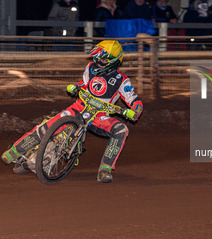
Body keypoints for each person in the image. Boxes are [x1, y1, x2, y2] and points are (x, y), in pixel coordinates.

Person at [1, 40, 143, 183]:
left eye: (102, 59)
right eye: (97, 58)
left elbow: (134, 100)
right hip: (78, 108)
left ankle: (105, 169)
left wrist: (134, 111)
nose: (98, 61)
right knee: (48, 126)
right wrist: (75, 87)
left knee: (121, 130)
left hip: (99, 117)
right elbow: (84, 84)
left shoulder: (122, 81)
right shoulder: (90, 68)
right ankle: (14, 151)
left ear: (113, 61)